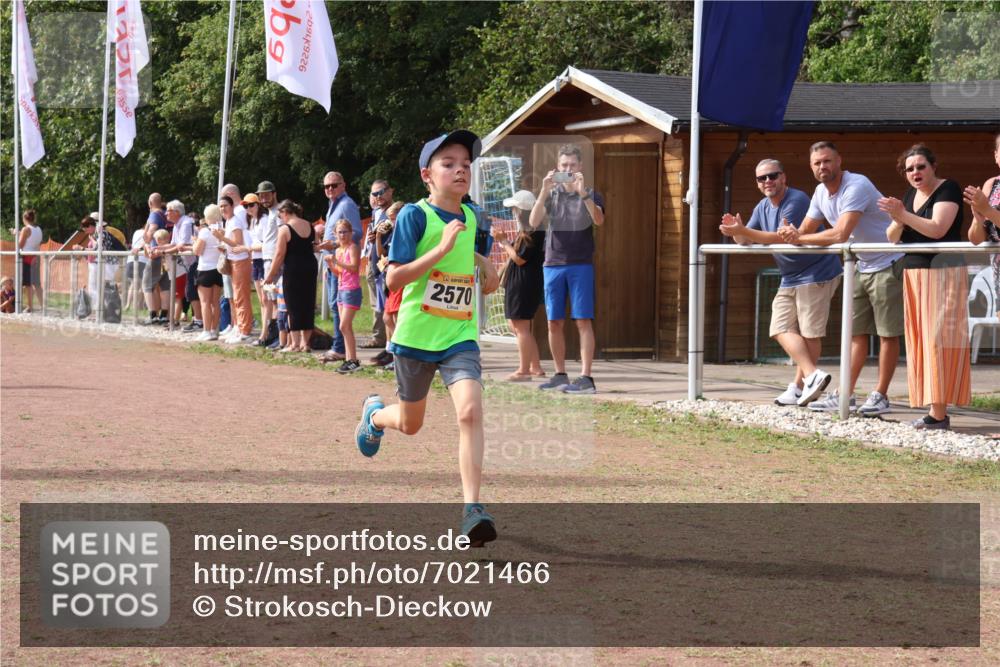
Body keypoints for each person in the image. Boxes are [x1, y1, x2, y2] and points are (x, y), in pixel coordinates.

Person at [354, 130, 500, 546]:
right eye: (449, 163)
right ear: (427, 175)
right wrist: (441, 251)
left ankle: (472, 509)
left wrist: (485, 267)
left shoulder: (474, 216)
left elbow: (475, 265)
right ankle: (375, 416)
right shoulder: (414, 217)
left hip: (459, 334)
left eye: (466, 164)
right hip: (416, 335)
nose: (460, 170)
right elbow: (395, 276)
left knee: (470, 411)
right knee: (410, 424)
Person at [779, 141, 904, 416]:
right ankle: (845, 393)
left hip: (888, 261)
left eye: (827, 161)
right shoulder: (820, 192)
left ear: (839, 161)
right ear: (811, 168)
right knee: (855, 334)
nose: (822, 167)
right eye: (817, 163)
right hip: (861, 264)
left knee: (887, 334)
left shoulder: (856, 184)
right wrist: (792, 235)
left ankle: (880, 395)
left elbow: (840, 234)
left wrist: (800, 237)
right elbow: (805, 231)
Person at [719, 159, 843, 406]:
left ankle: (801, 384)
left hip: (817, 272)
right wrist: (737, 231)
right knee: (778, 326)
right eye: (761, 178)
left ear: (783, 177)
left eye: (772, 176)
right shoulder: (762, 206)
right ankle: (809, 378)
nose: (767, 182)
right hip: (790, 276)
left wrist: (744, 231)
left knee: (809, 333)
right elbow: (747, 241)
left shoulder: (796, 200)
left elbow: (780, 237)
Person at [878, 145, 969, 430]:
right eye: (910, 169)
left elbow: (938, 228)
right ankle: (933, 410)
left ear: (933, 166)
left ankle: (939, 414)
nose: (915, 173)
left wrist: (902, 216)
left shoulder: (948, 189)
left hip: (942, 272)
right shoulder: (908, 197)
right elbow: (892, 237)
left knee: (937, 341)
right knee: (919, 342)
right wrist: (898, 217)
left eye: (920, 167)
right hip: (915, 275)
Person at [529, 144, 605, 394]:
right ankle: (560, 374)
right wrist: (543, 190)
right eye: (564, 166)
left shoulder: (591, 193)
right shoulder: (551, 195)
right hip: (552, 263)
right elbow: (533, 221)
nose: (568, 169)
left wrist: (583, 193)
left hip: (580, 263)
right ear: (557, 167)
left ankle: (586, 378)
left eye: (572, 165)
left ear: (580, 167)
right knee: (554, 322)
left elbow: (599, 220)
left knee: (583, 320)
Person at [492, 190, 546, 381]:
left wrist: (504, 242)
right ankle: (535, 367)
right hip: (523, 282)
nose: (513, 211)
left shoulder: (533, 232)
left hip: (524, 283)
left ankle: (523, 370)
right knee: (519, 326)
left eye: (515, 208)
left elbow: (520, 259)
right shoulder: (530, 231)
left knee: (521, 326)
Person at [316, 172, 362, 362]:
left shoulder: (346, 204)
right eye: (326, 186)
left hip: (343, 266)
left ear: (343, 185)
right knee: (335, 305)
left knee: (338, 308)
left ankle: (340, 348)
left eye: (334, 185)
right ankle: (341, 349)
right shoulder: (334, 205)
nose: (330, 189)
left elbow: (357, 232)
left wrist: (333, 246)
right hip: (334, 265)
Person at [264, 200, 318, 352]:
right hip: (310, 267)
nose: (281, 219)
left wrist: (270, 275)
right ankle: (305, 343)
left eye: (280, 215)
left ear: (285, 212)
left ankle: (294, 344)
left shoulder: (284, 229)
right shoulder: (309, 225)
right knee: (307, 303)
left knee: (292, 305)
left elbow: (279, 254)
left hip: (293, 268)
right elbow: (313, 246)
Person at [213, 195, 255, 344]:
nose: (223, 209)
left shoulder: (235, 221)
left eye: (225, 205)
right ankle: (239, 326)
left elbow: (238, 242)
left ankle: (245, 330)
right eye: (221, 206)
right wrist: (223, 245)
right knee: (236, 297)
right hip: (234, 261)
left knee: (241, 296)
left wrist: (221, 238)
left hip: (241, 261)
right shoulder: (229, 221)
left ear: (231, 206)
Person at [964, 131, 1000, 298]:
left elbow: (988, 211)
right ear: (996, 155)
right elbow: (975, 239)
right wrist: (978, 220)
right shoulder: (991, 184)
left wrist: (986, 210)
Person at [371, 201, 403, 368]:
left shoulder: (405, 231)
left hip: (400, 277)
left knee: (395, 318)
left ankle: (399, 356)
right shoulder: (391, 232)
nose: (391, 222)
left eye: (394, 218)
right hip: (389, 277)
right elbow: (380, 253)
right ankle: (390, 351)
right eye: (390, 218)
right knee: (387, 317)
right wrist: (377, 236)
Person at [363, 179, 394, 349]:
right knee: (377, 304)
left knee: (389, 306)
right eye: (375, 193)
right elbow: (374, 236)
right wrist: (370, 240)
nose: (378, 196)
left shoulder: (395, 211)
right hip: (375, 264)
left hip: (388, 265)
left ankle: (386, 342)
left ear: (390, 191)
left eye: (381, 192)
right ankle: (380, 337)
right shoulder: (377, 212)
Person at [332, 219, 363, 373]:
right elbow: (339, 272)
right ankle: (349, 360)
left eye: (345, 231)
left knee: (343, 325)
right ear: (335, 234)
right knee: (345, 327)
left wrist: (336, 261)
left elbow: (354, 268)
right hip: (341, 289)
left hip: (351, 290)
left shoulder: (353, 248)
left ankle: (353, 360)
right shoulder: (338, 250)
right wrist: (331, 265)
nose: (342, 235)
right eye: (340, 232)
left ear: (351, 233)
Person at [193, 204, 225, 341]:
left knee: (205, 302)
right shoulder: (222, 230)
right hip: (218, 269)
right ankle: (214, 329)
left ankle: (206, 330)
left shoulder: (205, 231)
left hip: (205, 269)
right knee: (215, 302)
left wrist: (195, 242)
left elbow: (197, 251)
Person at [255, 181, 281, 346]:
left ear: (274, 194)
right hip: (267, 259)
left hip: (274, 259)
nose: (263, 198)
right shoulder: (270, 213)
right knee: (270, 298)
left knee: (276, 299)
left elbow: (282, 236)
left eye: (266, 195)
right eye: (261, 196)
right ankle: (270, 334)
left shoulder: (278, 213)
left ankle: (277, 335)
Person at [142, 193, 169, 323]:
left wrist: (146, 237)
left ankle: (153, 315)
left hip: (155, 254)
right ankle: (164, 315)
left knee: (147, 285)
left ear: (150, 203)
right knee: (165, 286)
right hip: (165, 254)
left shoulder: (154, 214)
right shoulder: (164, 214)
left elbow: (152, 229)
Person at [244, 193, 267, 339]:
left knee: (266, 299)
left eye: (251, 205)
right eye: (246, 206)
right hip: (256, 260)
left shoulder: (263, 220)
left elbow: (266, 244)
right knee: (261, 300)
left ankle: (267, 332)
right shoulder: (252, 221)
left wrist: (249, 248)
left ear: (258, 205)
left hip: (264, 260)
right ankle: (266, 331)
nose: (249, 208)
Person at [17, 209, 43, 312]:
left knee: (28, 284)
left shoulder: (25, 229)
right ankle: (42, 305)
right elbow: (32, 240)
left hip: (27, 257)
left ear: (24, 218)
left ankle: (30, 306)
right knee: (37, 283)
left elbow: (20, 245)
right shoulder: (39, 229)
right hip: (36, 256)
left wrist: (17, 235)